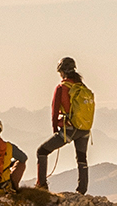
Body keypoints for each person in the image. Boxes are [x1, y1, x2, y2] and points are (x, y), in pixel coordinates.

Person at [36, 57, 93, 193]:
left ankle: (41, 185)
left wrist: (56, 129)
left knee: (42, 151)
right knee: (81, 158)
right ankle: (82, 189)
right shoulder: (81, 87)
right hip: (84, 128)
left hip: (69, 128)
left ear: (61, 72)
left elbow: (55, 111)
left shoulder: (61, 88)